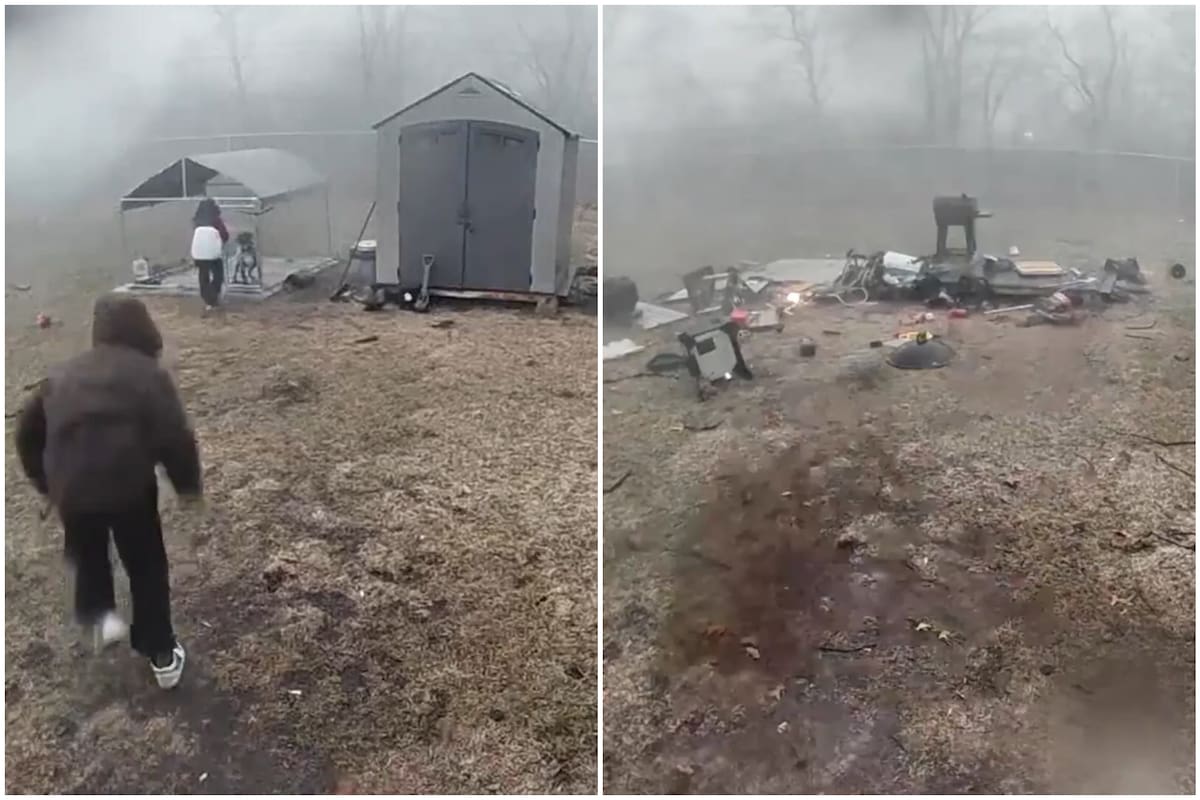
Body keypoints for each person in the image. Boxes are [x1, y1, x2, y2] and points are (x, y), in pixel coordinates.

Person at [15, 294, 203, 689]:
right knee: (146, 562)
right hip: (129, 486)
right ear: (144, 328)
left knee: (86, 549)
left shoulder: (63, 375)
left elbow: (28, 432)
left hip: (73, 490)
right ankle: (161, 653)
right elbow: (175, 436)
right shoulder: (148, 375)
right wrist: (187, 484)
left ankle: (100, 615)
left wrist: (47, 483)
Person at [191, 198, 229, 311]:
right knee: (218, 275)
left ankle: (207, 298)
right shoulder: (216, 220)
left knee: (203, 276)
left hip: (199, 252)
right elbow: (224, 235)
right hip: (213, 253)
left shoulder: (196, 220)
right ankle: (213, 296)